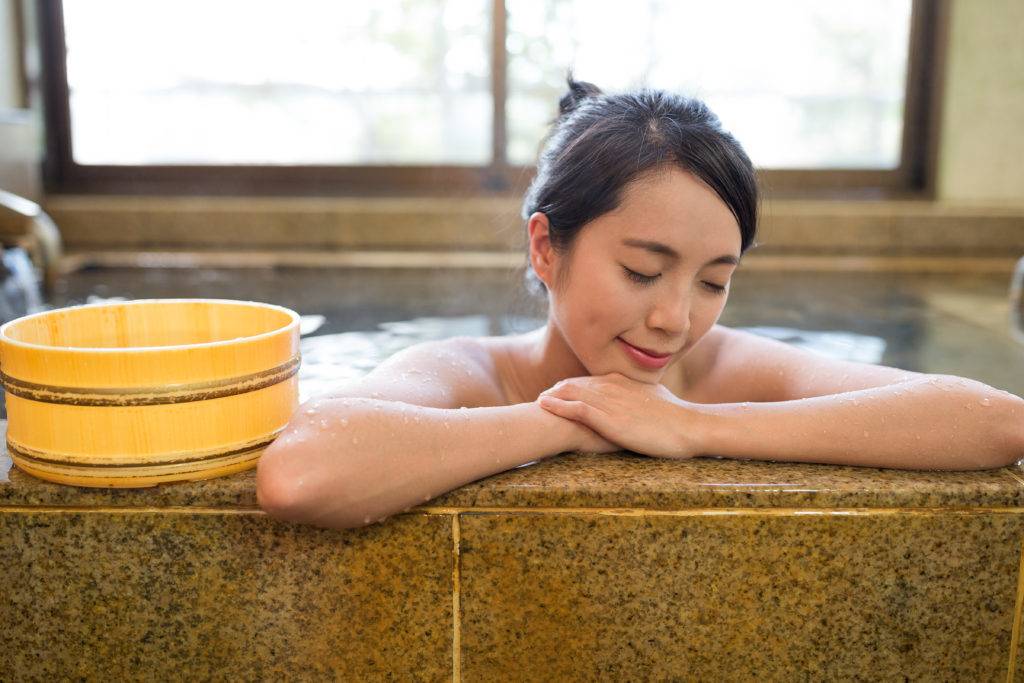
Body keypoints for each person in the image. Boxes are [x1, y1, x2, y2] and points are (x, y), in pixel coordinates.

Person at [255, 74, 1024, 530]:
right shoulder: (467, 375)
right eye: (642, 269)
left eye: (714, 281)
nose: (677, 318)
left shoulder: (725, 372)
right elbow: (302, 472)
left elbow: (994, 421)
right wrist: (564, 420)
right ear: (545, 248)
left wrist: (694, 426)